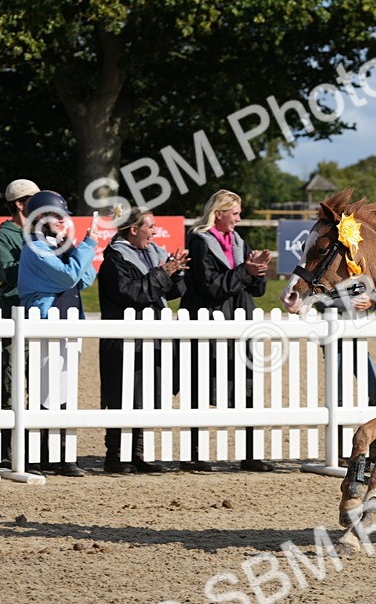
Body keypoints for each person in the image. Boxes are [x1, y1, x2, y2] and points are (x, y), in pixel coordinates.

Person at [182, 190, 272, 471]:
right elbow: (210, 286)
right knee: (201, 386)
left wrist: (258, 273)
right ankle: (194, 453)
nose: (239, 218)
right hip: (208, 321)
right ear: (218, 213)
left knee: (247, 386)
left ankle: (250, 453)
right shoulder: (199, 242)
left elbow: (253, 289)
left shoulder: (239, 242)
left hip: (240, 319)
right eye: (235, 213)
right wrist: (245, 271)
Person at [98, 207, 189, 474]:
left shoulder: (152, 253)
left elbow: (167, 292)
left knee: (143, 395)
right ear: (134, 230)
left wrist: (177, 272)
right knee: (122, 395)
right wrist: (164, 273)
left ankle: (136, 453)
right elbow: (132, 293)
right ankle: (115, 455)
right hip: (125, 339)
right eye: (150, 226)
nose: (154, 231)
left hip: (150, 336)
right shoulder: (115, 260)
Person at [17, 190, 100, 477]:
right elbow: (67, 277)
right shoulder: (34, 247)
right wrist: (87, 245)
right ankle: (32, 454)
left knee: (66, 389)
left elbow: (85, 279)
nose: (63, 223)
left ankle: (62, 454)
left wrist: (75, 248)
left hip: (68, 321)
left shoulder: (56, 244)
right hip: (45, 323)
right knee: (44, 389)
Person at [0, 178, 40, 464]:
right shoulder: (5, 236)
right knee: (10, 383)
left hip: (39, 314)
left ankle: (36, 448)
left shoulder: (42, 231)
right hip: (14, 310)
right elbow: (9, 276)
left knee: (39, 383)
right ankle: (4, 450)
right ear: (20, 204)